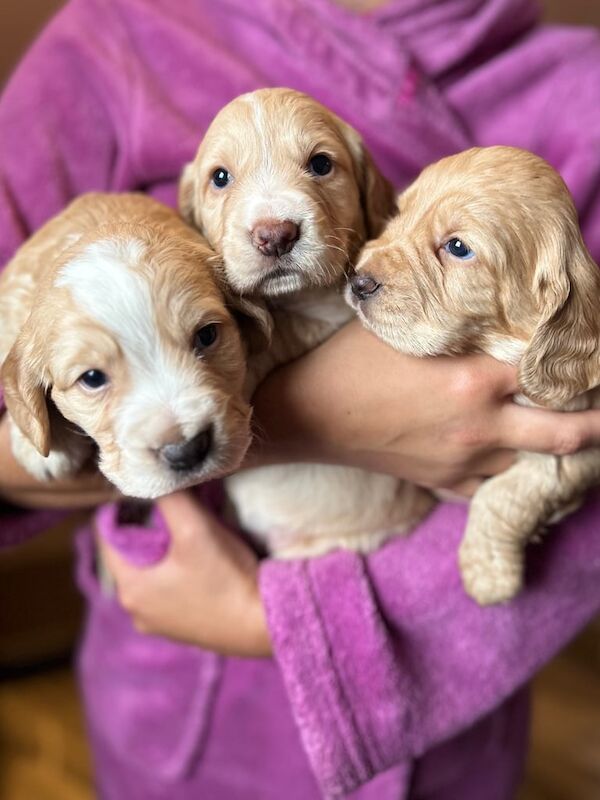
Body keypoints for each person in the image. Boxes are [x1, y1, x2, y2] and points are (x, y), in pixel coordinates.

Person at [1, 0, 600, 797]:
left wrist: (278, 622)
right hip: (185, 703)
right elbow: (22, 434)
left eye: (321, 166)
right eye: (221, 179)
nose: (275, 222)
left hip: (454, 719)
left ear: (368, 188)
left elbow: (580, 471)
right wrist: (320, 416)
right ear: (188, 212)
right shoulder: (112, 33)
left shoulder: (581, 87)